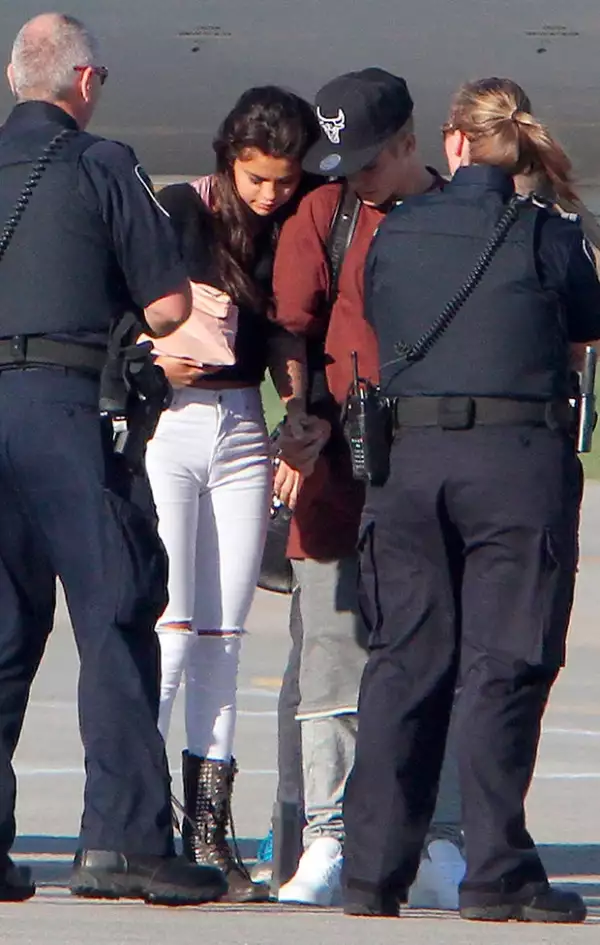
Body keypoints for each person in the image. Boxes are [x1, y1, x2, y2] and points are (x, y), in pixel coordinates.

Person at [342, 76, 600, 923]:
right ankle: (496, 871)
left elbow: (384, 320)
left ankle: (372, 870)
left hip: (409, 464)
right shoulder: (546, 235)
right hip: (514, 462)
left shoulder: (397, 232)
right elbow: (580, 326)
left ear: (454, 142)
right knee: (505, 663)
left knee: (402, 664)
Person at [0, 13, 228, 906]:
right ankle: (124, 838)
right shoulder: (100, 163)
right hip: (67, 408)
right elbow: (170, 307)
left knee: (6, 633)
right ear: (84, 83)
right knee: (116, 612)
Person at [262, 68, 465, 908]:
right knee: (332, 659)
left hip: (433, 465)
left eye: (368, 162)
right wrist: (301, 408)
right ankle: (327, 839)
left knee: (441, 658)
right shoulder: (325, 213)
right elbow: (290, 326)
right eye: (339, 161)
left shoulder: (462, 219)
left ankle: (440, 838)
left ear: (411, 142)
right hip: (341, 466)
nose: (352, 177)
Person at [146, 86, 327, 902]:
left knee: (223, 630)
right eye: (256, 179)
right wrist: (157, 353)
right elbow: (125, 302)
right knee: (173, 626)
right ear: (230, 159)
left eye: (282, 181)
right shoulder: (178, 207)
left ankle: (208, 826)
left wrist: (298, 413)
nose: (269, 195)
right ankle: (135, 811)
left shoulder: (292, 224)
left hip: (242, 421)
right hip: (173, 422)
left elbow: (290, 328)